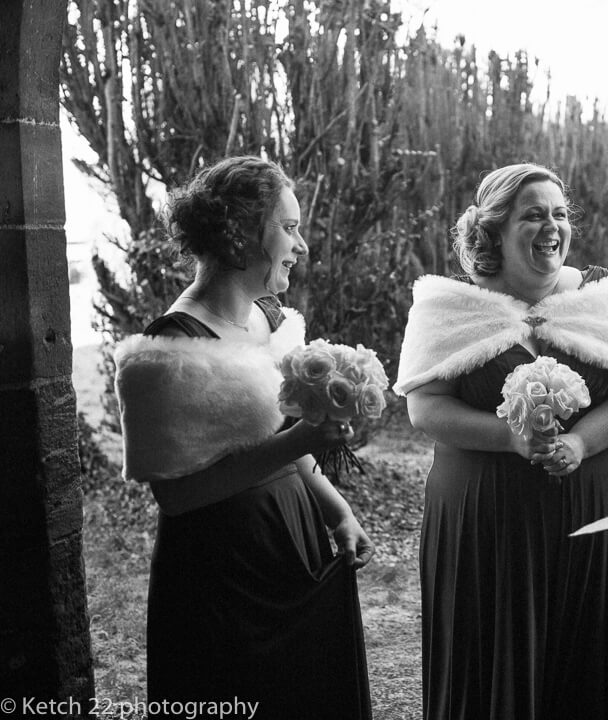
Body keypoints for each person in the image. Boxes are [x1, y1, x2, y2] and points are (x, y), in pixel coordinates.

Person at [394, 163, 608, 720]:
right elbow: (425, 407)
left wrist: (582, 444)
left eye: (561, 214)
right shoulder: (450, 307)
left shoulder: (605, 296)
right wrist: (510, 439)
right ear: (493, 230)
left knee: (589, 657)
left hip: (593, 510)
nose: (553, 227)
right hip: (484, 521)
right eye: (534, 215)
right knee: (488, 660)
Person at [114, 156, 375, 719]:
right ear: (238, 235)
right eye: (289, 227)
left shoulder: (269, 316)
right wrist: (302, 442)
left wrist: (335, 510)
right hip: (222, 570)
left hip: (293, 541)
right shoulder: (169, 346)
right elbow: (176, 496)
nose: (301, 244)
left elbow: (277, 432)